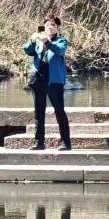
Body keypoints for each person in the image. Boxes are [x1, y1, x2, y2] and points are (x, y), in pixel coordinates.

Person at [24, 15, 72, 151]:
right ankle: (39, 142)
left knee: (59, 110)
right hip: (39, 78)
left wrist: (48, 42)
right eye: (47, 25)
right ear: (44, 27)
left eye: (53, 25)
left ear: (57, 29)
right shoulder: (39, 41)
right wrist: (32, 40)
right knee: (39, 112)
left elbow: (59, 51)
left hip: (54, 80)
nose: (50, 27)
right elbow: (27, 50)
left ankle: (65, 142)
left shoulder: (61, 41)